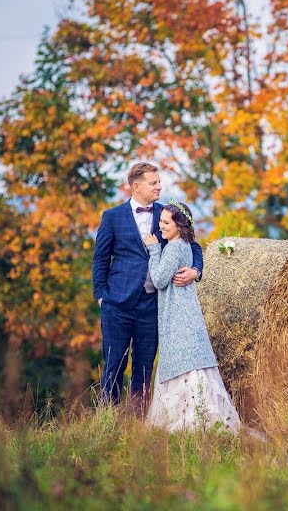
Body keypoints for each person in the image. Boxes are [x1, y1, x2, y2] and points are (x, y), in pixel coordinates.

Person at [91, 162, 203, 412]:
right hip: (117, 304)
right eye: (154, 183)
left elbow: (194, 245)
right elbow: (100, 258)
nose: (159, 186)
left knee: (144, 366)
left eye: (159, 182)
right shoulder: (112, 216)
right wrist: (100, 296)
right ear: (136, 186)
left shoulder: (168, 213)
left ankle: (138, 422)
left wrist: (195, 271)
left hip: (152, 305)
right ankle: (106, 421)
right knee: (114, 364)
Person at [143, 201, 241, 432]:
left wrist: (154, 250)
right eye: (160, 222)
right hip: (186, 314)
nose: (161, 226)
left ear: (179, 224)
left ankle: (190, 424)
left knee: (184, 363)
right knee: (193, 365)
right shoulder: (184, 245)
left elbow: (158, 279)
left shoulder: (174, 248)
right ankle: (209, 421)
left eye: (166, 222)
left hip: (179, 317)